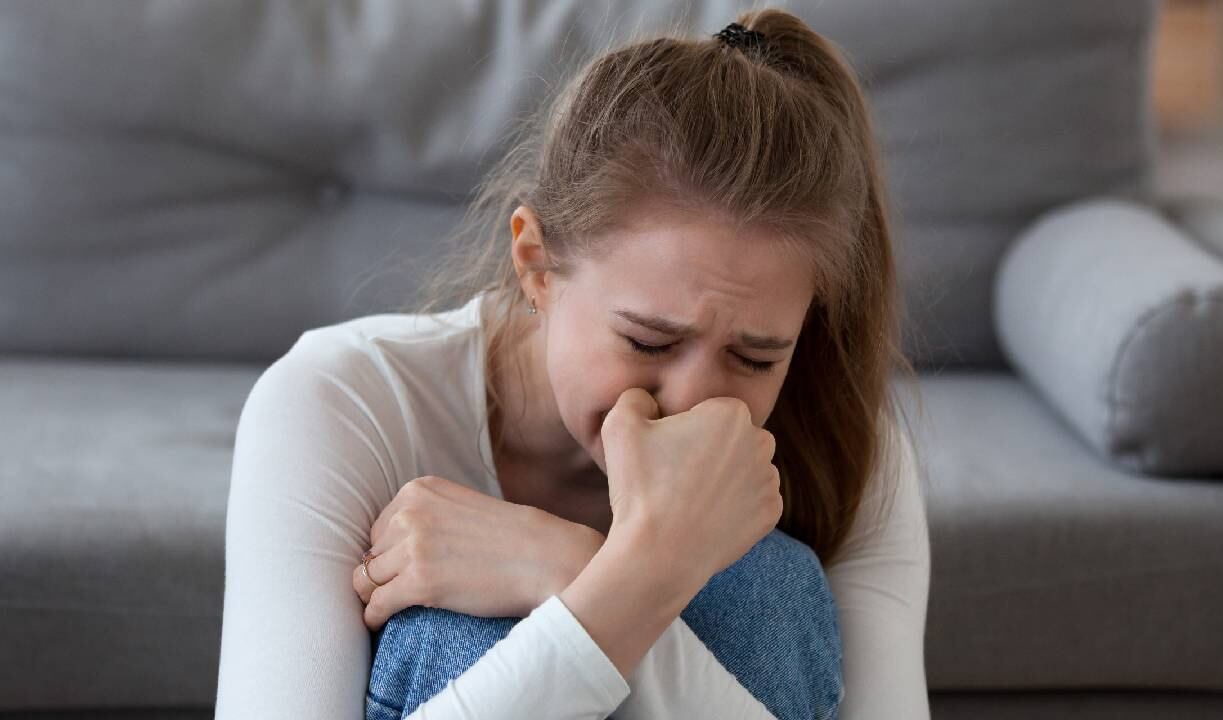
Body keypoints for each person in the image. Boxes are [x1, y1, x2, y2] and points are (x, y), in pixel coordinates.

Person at [215, 8, 932, 720]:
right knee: (463, 635)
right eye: (649, 342)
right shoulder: (341, 400)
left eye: (754, 357)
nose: (693, 401)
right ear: (535, 265)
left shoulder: (850, 448)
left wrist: (576, 570)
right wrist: (631, 585)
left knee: (763, 588)